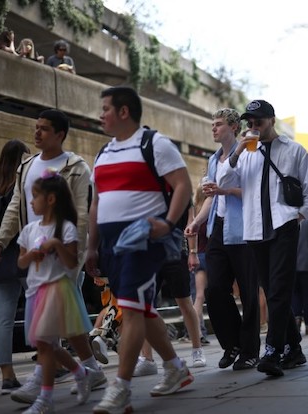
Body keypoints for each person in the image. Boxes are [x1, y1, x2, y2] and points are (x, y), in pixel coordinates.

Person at [87, 86, 194, 412]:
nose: (100, 114)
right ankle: (175, 368)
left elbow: (183, 186)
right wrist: (92, 247)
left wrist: (169, 221)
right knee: (140, 310)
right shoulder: (103, 152)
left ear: (123, 112)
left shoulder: (155, 144)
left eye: (105, 108)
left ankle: (120, 389)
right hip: (112, 245)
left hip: (146, 241)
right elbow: (97, 203)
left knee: (131, 310)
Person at [0, 110, 106, 404]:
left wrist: (75, 255)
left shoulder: (76, 167)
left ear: (60, 134)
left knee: (48, 324)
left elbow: (80, 213)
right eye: (36, 127)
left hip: (64, 254)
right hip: (37, 254)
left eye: (44, 129)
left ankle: (40, 381)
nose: (37, 133)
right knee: (66, 321)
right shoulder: (26, 166)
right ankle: (90, 367)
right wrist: (2, 241)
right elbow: (16, 206)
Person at [219, 99, 308, 377]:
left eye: (258, 122)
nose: (254, 127)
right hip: (254, 230)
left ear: (271, 120)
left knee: (278, 290)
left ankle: (273, 349)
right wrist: (237, 150)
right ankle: (295, 349)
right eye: (249, 123)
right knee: (272, 290)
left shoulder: (294, 150)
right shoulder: (246, 154)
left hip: (283, 226)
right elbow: (224, 181)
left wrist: (297, 217)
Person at [184, 107, 261, 372]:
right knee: (215, 289)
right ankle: (233, 344)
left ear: (233, 128)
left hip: (244, 229)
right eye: (212, 124)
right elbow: (211, 197)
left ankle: (250, 351)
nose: (213, 128)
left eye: (218, 124)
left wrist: (224, 189)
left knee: (250, 293)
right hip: (219, 227)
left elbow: (253, 192)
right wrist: (196, 222)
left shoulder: (250, 153)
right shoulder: (214, 159)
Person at [15, 170, 94, 413]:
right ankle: (81, 372)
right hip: (34, 292)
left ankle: (45, 400)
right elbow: (21, 263)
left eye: (35, 196)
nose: (31, 201)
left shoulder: (66, 228)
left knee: (46, 347)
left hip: (56, 290)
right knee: (46, 344)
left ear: (50, 199)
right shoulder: (29, 230)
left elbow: (71, 263)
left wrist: (57, 245)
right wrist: (32, 254)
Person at [0, 139, 30, 394]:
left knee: (2, 317)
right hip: (22, 254)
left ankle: (7, 375)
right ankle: (50, 362)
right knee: (38, 307)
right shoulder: (21, 185)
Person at [185, 184, 210, 344]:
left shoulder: (195, 213)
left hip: (196, 255)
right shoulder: (209, 213)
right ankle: (197, 331)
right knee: (203, 296)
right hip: (209, 256)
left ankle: (198, 331)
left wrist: (191, 253)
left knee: (197, 296)